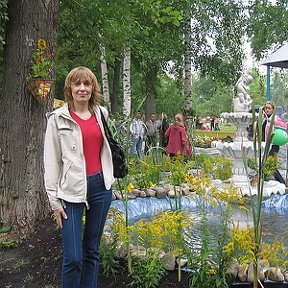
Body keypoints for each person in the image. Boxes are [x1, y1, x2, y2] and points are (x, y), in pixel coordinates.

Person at [44, 66, 114, 288]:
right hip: (71, 192)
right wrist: (55, 202)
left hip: (101, 188)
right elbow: (51, 161)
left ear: (93, 88)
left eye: (87, 84)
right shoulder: (57, 119)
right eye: (77, 84)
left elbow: (107, 149)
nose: (82, 88)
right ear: (70, 88)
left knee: (92, 251)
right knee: (73, 256)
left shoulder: (101, 114)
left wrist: (111, 176)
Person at [262, 101, 287, 185]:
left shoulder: (275, 117)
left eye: (269, 108)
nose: (267, 110)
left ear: (273, 109)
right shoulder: (263, 118)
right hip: (264, 145)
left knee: (270, 165)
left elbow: (283, 125)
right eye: (266, 108)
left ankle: (282, 183)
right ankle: (261, 180)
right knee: (267, 165)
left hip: (273, 145)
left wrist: (273, 121)